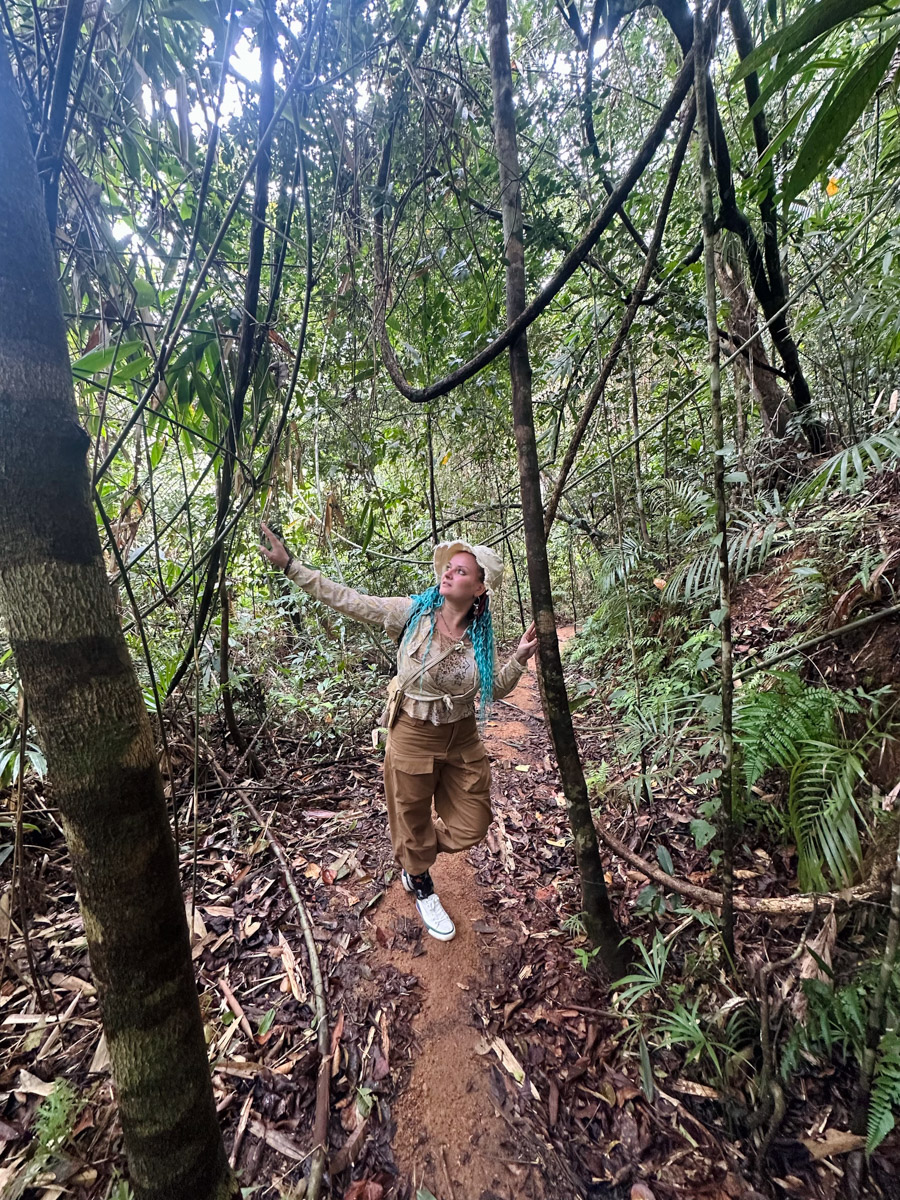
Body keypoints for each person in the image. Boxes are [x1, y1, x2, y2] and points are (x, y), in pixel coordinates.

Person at [259, 524, 538, 941]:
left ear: (480, 588)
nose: (448, 574)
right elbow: (347, 600)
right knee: (409, 815)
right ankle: (420, 879)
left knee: (473, 824)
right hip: (412, 732)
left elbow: (492, 689)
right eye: (449, 568)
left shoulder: (480, 637)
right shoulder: (412, 613)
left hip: (461, 737)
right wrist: (291, 567)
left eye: (461, 572)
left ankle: (414, 853)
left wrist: (517, 659)